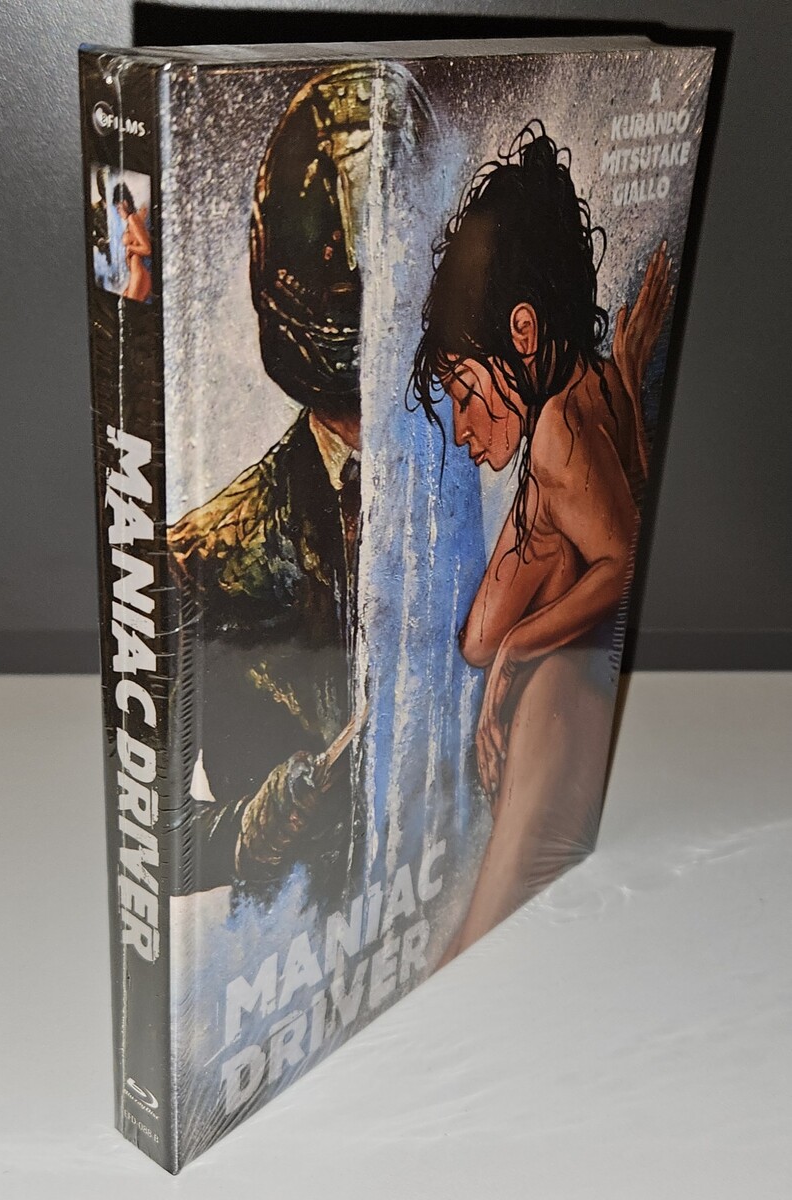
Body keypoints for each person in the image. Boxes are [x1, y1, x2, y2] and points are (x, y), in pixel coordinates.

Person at [168, 63, 433, 909]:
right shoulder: (203, 558)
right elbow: (154, 840)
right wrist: (248, 831)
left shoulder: (489, 470)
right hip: (303, 929)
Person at [412, 123, 671, 959]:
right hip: (565, 695)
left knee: (474, 948)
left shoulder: (556, 432)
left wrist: (512, 660)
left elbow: (621, 561)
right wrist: (628, 375)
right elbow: (624, 514)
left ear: (521, 331)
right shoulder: (585, 394)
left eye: (462, 391)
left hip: (550, 708)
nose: (460, 430)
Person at [113, 182, 152, 302]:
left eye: (118, 208)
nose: (118, 212)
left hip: (138, 275)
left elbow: (147, 249)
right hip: (134, 274)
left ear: (125, 203)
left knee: (129, 307)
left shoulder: (132, 219)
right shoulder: (134, 219)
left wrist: (130, 248)